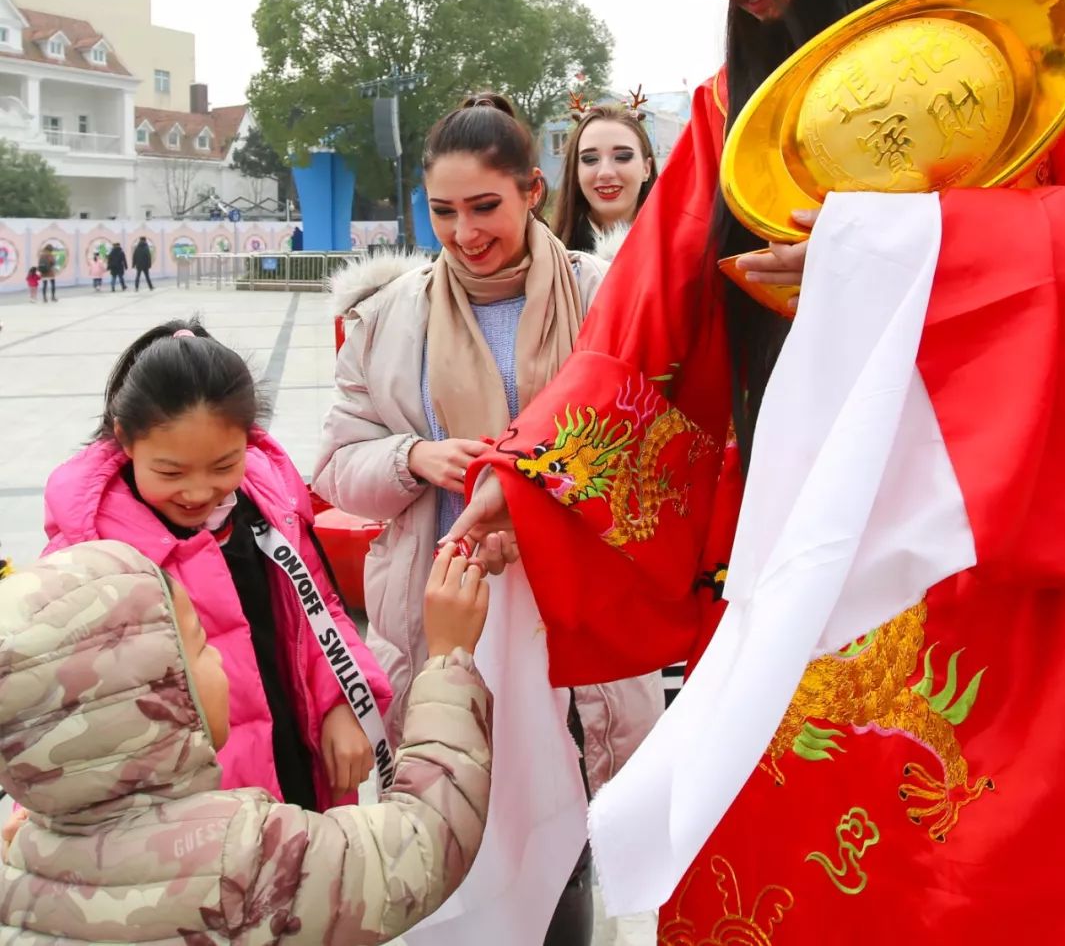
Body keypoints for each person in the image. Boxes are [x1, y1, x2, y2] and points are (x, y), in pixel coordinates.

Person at [451, 0, 1065, 942]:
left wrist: (900, 261)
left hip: (988, 513)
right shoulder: (738, 101)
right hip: (813, 520)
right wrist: (533, 472)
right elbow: (645, 316)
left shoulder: (998, 17)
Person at [314, 92, 663, 946]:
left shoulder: (607, 296)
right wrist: (412, 457)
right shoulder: (387, 318)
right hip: (447, 616)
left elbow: (656, 443)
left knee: (568, 829)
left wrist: (547, 477)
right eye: (443, 211)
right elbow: (334, 465)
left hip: (574, 615)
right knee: (455, 821)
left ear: (533, 190)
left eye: (484, 207)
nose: (464, 232)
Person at [0, 538, 493, 943]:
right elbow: (423, 843)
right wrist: (448, 659)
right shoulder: (241, 860)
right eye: (199, 646)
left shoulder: (19, 866)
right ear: (154, 697)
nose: (218, 658)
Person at [43, 318, 393, 811]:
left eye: (224, 465)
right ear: (125, 439)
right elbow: (52, 701)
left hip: (294, 765)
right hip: (184, 811)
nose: (198, 491)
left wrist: (341, 702)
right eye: (170, 472)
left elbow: (319, 610)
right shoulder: (90, 549)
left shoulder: (268, 506)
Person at [550, 98, 656, 252]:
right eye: (590, 159)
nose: (605, 173)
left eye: (622, 157)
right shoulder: (550, 255)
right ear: (576, 172)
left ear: (646, 168)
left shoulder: (682, 249)